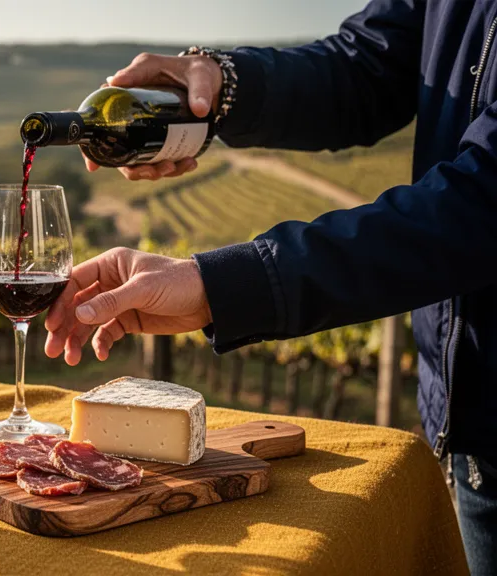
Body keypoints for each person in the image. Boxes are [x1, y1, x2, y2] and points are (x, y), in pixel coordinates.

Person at [44, 2, 497, 572]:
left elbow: (481, 207)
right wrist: (223, 85)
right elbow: (368, 68)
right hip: (470, 418)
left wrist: (221, 284)